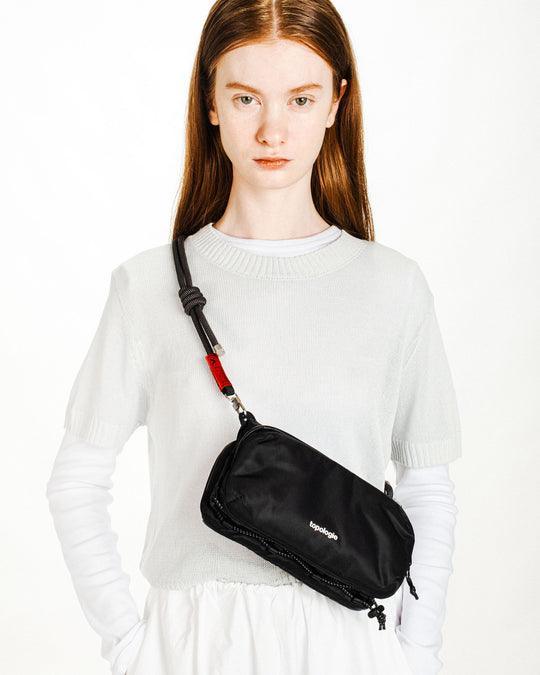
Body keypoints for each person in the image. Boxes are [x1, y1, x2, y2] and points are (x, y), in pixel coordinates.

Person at [46, 1, 461, 674]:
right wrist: (128, 644)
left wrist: (418, 654)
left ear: (337, 102)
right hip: (192, 645)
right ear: (211, 101)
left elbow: (427, 488)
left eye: (301, 98)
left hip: (349, 642)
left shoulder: (395, 287)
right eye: (246, 98)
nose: (273, 129)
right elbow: (76, 481)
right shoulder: (147, 287)